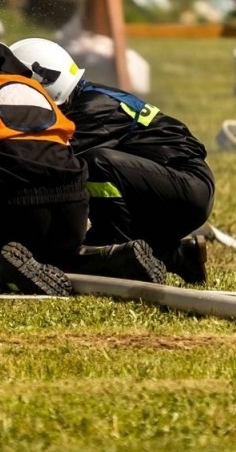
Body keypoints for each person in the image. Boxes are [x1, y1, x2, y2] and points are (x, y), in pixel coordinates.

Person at [0, 28, 167, 296]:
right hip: (72, 216)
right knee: (55, 261)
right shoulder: (38, 90)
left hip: (16, 217)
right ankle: (115, 259)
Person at [11, 38, 214, 284]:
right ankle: (179, 256)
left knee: (94, 163)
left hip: (186, 188)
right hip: (174, 185)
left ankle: (116, 251)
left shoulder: (89, 111)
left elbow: (54, 165)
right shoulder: (88, 97)